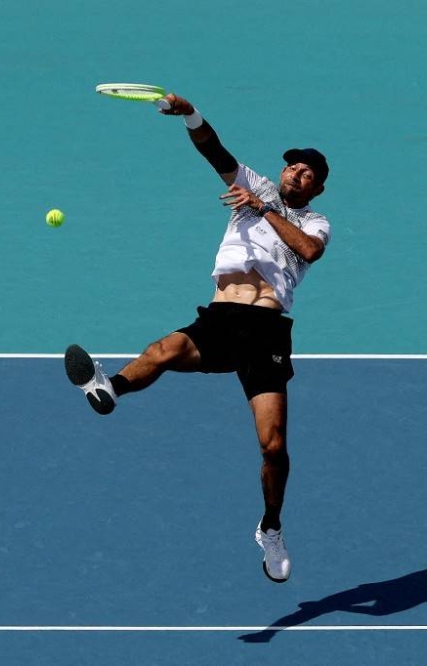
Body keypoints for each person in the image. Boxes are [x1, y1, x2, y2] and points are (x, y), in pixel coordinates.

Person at [63, 93, 332, 583]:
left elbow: (309, 251)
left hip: (268, 329)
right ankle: (109, 387)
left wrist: (264, 209)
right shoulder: (252, 182)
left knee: (273, 447)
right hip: (223, 316)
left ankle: (270, 527)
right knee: (165, 350)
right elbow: (215, 151)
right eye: (292, 166)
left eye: (307, 172)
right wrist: (191, 114)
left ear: (317, 187)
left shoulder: (315, 222)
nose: (295, 173)